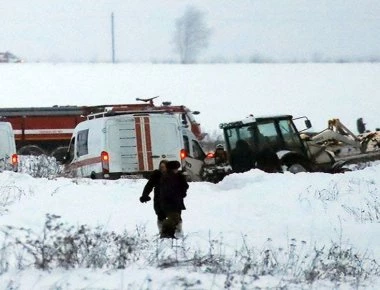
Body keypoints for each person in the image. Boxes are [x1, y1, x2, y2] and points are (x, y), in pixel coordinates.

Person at [159, 160, 189, 238]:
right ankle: (165, 233)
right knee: (174, 217)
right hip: (170, 202)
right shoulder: (169, 177)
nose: (177, 170)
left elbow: (184, 186)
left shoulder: (175, 176)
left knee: (176, 217)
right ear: (172, 169)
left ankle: (170, 233)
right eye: (176, 168)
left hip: (174, 202)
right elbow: (171, 190)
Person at [139, 160, 168, 234]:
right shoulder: (156, 175)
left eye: (164, 167)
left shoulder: (172, 175)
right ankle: (162, 233)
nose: (162, 169)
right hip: (159, 200)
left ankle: (178, 234)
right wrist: (145, 195)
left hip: (171, 201)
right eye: (161, 167)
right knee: (161, 216)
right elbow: (149, 185)